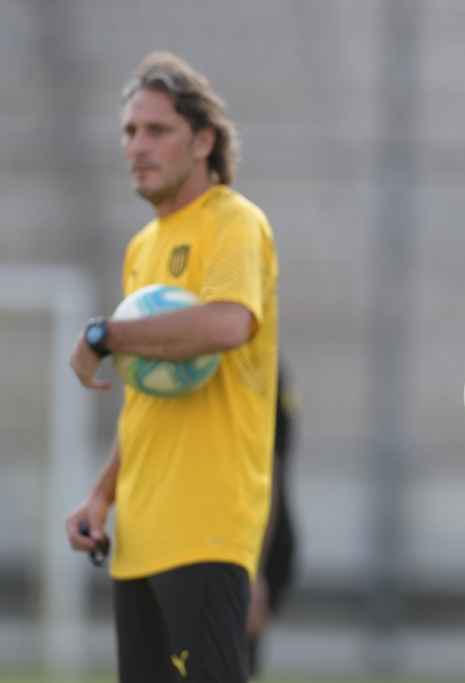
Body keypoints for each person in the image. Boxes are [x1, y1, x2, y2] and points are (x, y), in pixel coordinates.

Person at [65, 52, 279, 683]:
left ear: (203, 139)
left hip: (207, 529)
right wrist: (102, 495)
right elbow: (143, 399)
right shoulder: (142, 247)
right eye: (130, 132)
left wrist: (105, 334)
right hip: (135, 537)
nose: (137, 145)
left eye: (157, 130)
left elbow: (226, 324)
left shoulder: (234, 221)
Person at [247, 364, 299, 677]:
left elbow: (270, 469)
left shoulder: (261, 371)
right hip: (261, 539)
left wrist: (254, 572)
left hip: (255, 543)